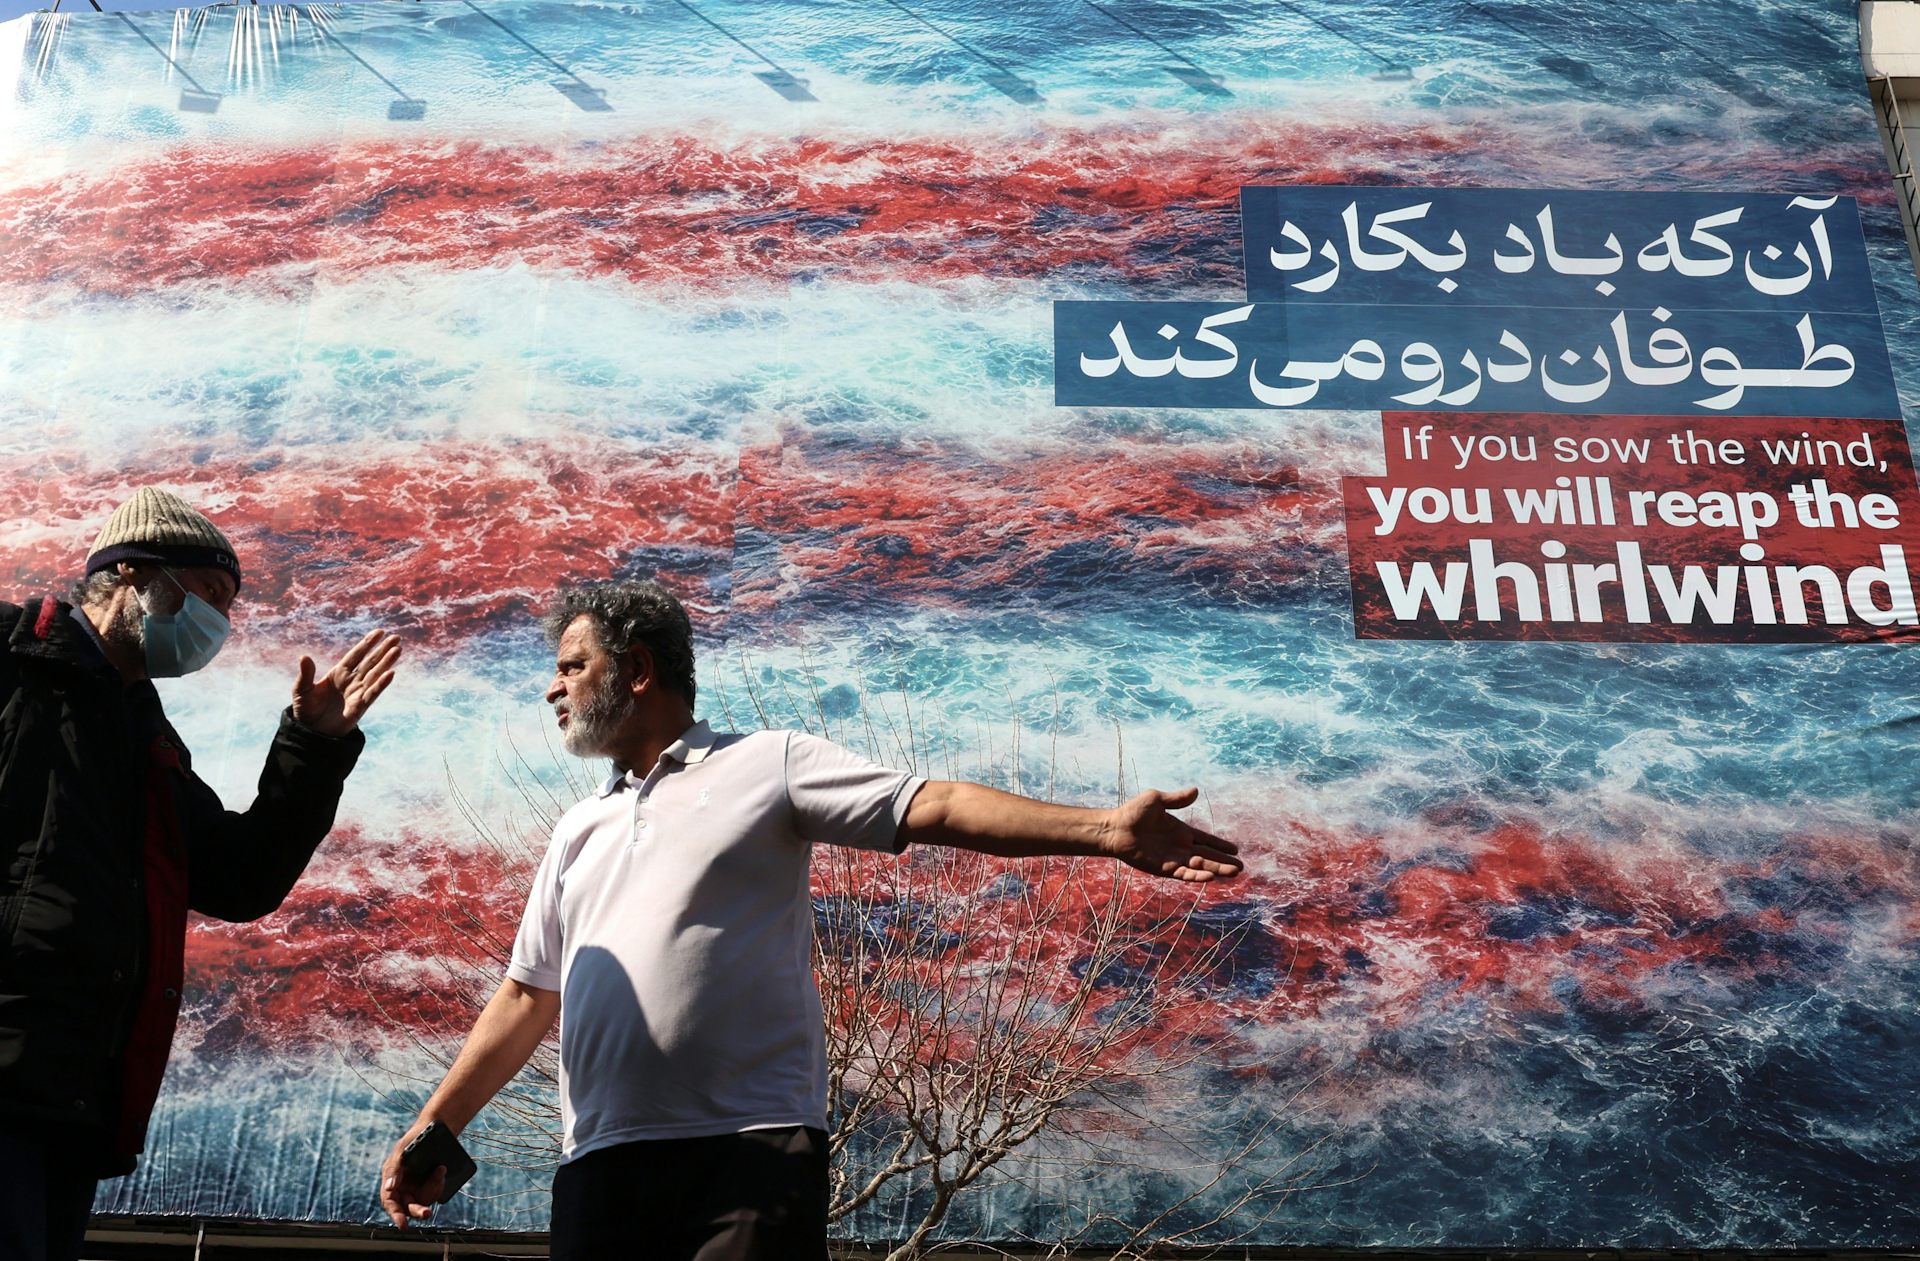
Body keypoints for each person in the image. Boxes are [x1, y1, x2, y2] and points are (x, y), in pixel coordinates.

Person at [379, 579, 1239, 1260]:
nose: (551, 688)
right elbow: (527, 996)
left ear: (637, 670)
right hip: (600, 1163)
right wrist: (436, 1122)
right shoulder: (577, 829)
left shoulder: (768, 765)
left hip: (748, 1151)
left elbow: (931, 803)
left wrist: (1104, 830)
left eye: (573, 665)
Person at [0, 487, 403, 1261]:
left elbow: (241, 879)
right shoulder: (14, 663)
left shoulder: (148, 742)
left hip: (75, 1101)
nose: (217, 624)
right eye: (208, 595)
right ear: (129, 574)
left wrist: (310, 750)